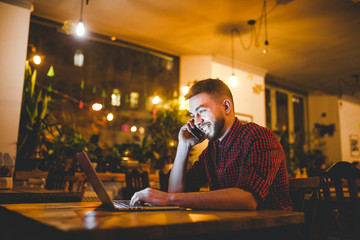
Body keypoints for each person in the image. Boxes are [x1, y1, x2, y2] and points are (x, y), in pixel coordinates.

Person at [130, 78, 292, 210]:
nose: (197, 121)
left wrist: (169, 198)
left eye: (202, 111)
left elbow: (248, 199)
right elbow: (178, 193)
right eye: (193, 115)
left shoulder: (259, 137)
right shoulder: (212, 151)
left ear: (226, 106)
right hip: (232, 230)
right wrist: (183, 146)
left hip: (270, 232)